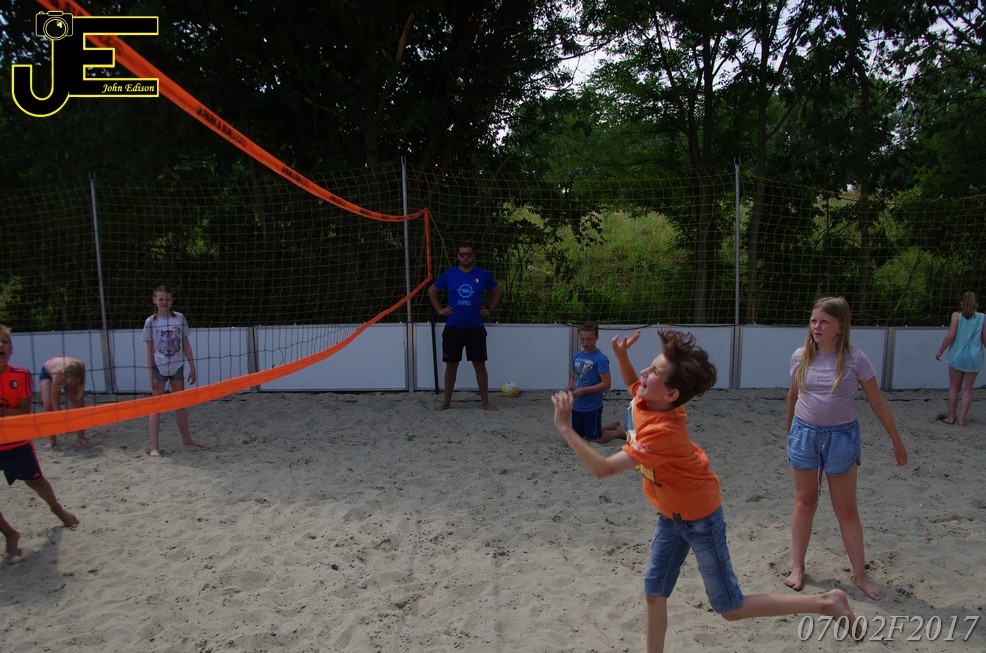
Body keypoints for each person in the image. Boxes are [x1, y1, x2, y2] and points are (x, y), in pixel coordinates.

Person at [553, 329, 859, 653]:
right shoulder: (648, 400)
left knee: (730, 607)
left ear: (671, 393)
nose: (644, 373)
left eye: (653, 371)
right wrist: (622, 356)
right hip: (670, 516)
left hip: (701, 519)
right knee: (654, 592)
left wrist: (564, 426)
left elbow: (603, 469)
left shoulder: (662, 431)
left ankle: (826, 603)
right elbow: (633, 382)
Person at [785, 297, 907, 601]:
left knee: (847, 510)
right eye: (814, 321)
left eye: (824, 322)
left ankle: (860, 576)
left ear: (840, 327)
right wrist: (790, 433)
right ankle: (797, 567)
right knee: (805, 502)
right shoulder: (800, 356)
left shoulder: (856, 360)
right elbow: (793, 395)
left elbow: (877, 401)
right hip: (805, 435)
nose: (817, 327)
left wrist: (896, 440)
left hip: (842, 438)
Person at [0, 325, 80, 561]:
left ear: (11, 349)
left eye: (4, 341)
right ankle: (10, 534)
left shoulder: (21, 375)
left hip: (16, 443)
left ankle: (57, 508)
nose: (0, 345)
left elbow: (24, 412)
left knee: (35, 481)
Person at [427, 243, 502, 410]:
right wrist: (439, 309)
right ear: (457, 257)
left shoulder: (482, 275)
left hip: (475, 328)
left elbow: (497, 291)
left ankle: (485, 403)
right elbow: (432, 290)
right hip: (453, 328)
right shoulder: (449, 274)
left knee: (480, 366)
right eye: (462, 254)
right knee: (451, 365)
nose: (466, 257)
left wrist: (489, 309)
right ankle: (446, 402)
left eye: (469, 254)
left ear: (473, 256)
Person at [141, 285, 205, 457]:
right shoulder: (151, 322)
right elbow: (149, 350)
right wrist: (150, 374)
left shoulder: (179, 318)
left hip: (177, 365)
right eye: (161, 299)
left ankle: (187, 439)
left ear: (172, 300)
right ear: (154, 300)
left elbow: (186, 344)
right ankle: (154, 447)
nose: (164, 302)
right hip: (159, 367)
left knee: (180, 405)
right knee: (156, 406)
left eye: (167, 299)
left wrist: (192, 367)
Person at [935, 291, 985, 426]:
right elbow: (984, 339)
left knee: (954, 387)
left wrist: (940, 350)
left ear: (962, 303)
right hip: (974, 358)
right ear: (977, 304)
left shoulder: (956, 316)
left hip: (957, 356)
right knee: (967, 389)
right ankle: (962, 420)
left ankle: (951, 418)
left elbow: (951, 335)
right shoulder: (983, 318)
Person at [567, 322, 612, 442]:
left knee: (594, 439)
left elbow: (607, 384)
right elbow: (572, 376)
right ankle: (611, 426)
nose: (585, 343)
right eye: (582, 339)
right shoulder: (577, 356)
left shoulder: (600, 358)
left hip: (592, 407)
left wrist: (584, 390)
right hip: (577, 407)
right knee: (578, 435)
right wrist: (570, 387)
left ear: (597, 338)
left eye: (589, 339)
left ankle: (617, 432)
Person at [40, 355, 88, 448]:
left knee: (79, 404)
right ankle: (52, 441)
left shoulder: (81, 367)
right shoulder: (58, 375)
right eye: (70, 383)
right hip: (48, 373)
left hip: (69, 371)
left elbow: (80, 391)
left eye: (74, 382)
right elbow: (55, 403)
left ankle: (81, 437)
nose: (71, 384)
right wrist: (63, 425)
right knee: (48, 405)